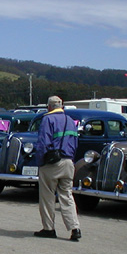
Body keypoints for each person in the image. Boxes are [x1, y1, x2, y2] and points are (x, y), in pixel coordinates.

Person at [33, 95, 82, 241]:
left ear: (49, 107)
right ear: (62, 106)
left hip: (52, 163)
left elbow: (43, 143)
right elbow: (75, 142)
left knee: (47, 196)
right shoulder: (70, 121)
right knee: (67, 196)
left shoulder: (48, 119)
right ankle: (75, 228)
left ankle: (49, 228)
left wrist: (40, 162)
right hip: (68, 162)